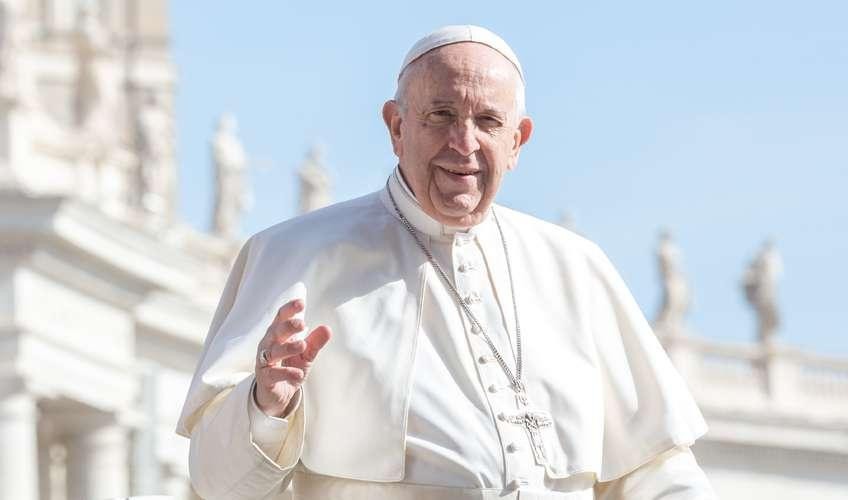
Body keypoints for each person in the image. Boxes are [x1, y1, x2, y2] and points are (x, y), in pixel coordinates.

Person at [177, 25, 717, 500]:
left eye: (487, 121)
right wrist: (266, 407)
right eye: (441, 115)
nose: (464, 142)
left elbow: (656, 471)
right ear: (396, 127)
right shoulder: (295, 256)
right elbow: (218, 486)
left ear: (518, 140)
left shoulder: (577, 268)